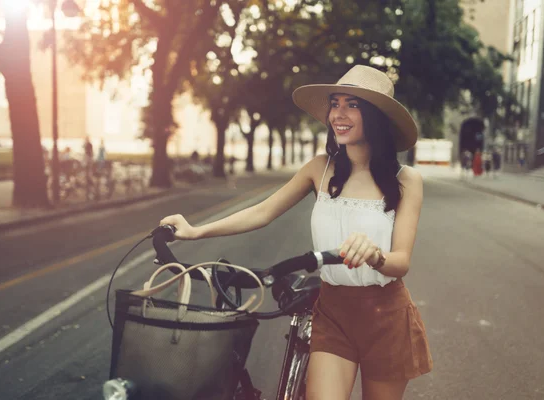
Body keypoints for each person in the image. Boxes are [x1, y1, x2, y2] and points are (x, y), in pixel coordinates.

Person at [160, 65, 433, 399]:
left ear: (375, 116)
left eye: (353, 105)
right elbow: (263, 211)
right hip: (334, 313)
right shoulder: (320, 169)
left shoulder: (407, 180)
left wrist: (376, 256)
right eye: (335, 103)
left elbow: (401, 261)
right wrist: (196, 231)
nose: (339, 114)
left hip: (386, 317)